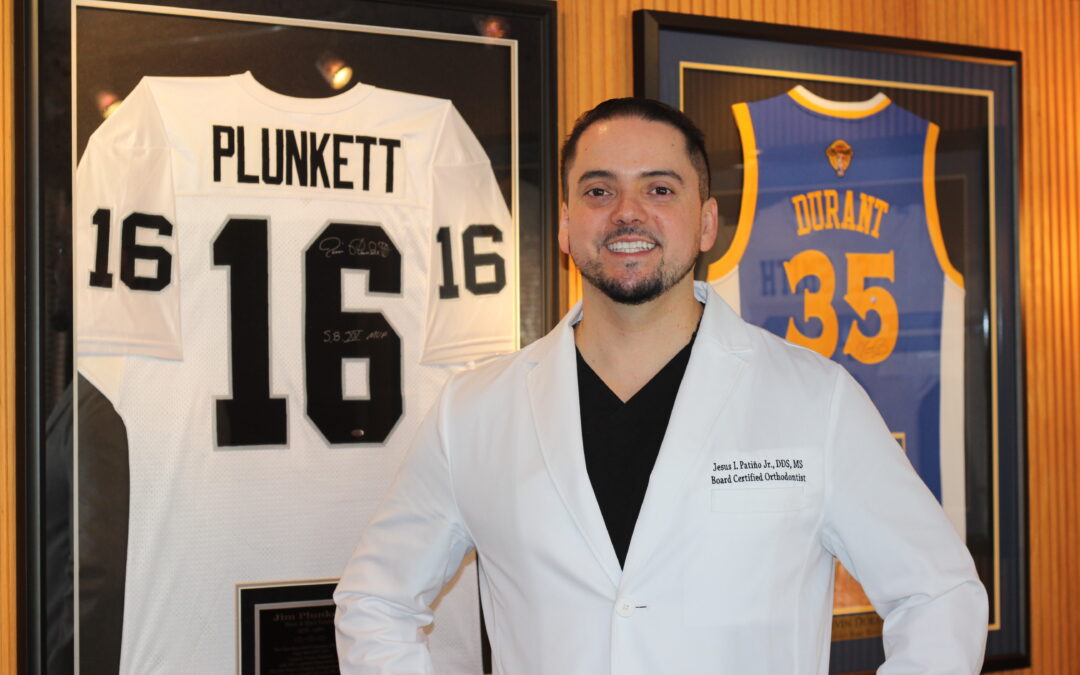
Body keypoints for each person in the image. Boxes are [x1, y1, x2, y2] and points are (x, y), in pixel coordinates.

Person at [334, 98, 989, 674]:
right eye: (598, 191)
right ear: (565, 226)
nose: (627, 213)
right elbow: (375, 599)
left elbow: (940, 593)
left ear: (706, 224)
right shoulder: (473, 412)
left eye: (659, 189)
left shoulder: (818, 400)